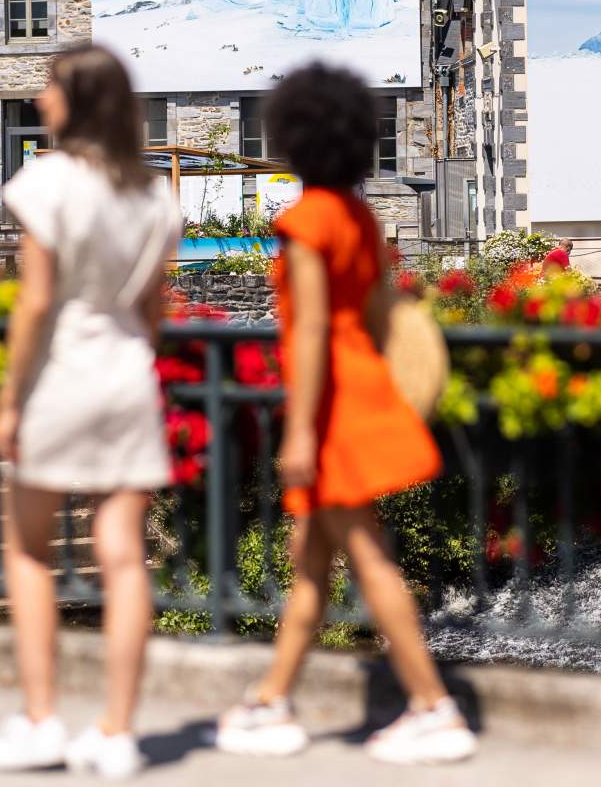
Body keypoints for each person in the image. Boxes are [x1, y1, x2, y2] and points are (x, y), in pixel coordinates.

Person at [214, 63, 477, 765]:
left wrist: (298, 431)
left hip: (334, 411)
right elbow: (370, 312)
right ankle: (271, 700)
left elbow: (309, 336)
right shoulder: (359, 217)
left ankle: (433, 706)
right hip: (364, 394)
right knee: (313, 562)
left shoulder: (306, 223)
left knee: (364, 558)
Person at [0, 45, 180, 779]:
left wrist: (10, 398)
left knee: (30, 549)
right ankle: (118, 732)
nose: (39, 98)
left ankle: (41, 722)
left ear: (77, 99)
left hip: (63, 372)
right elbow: (154, 313)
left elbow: (36, 301)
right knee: (124, 557)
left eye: (49, 85)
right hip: (129, 375)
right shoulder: (154, 195)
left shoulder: (50, 181)